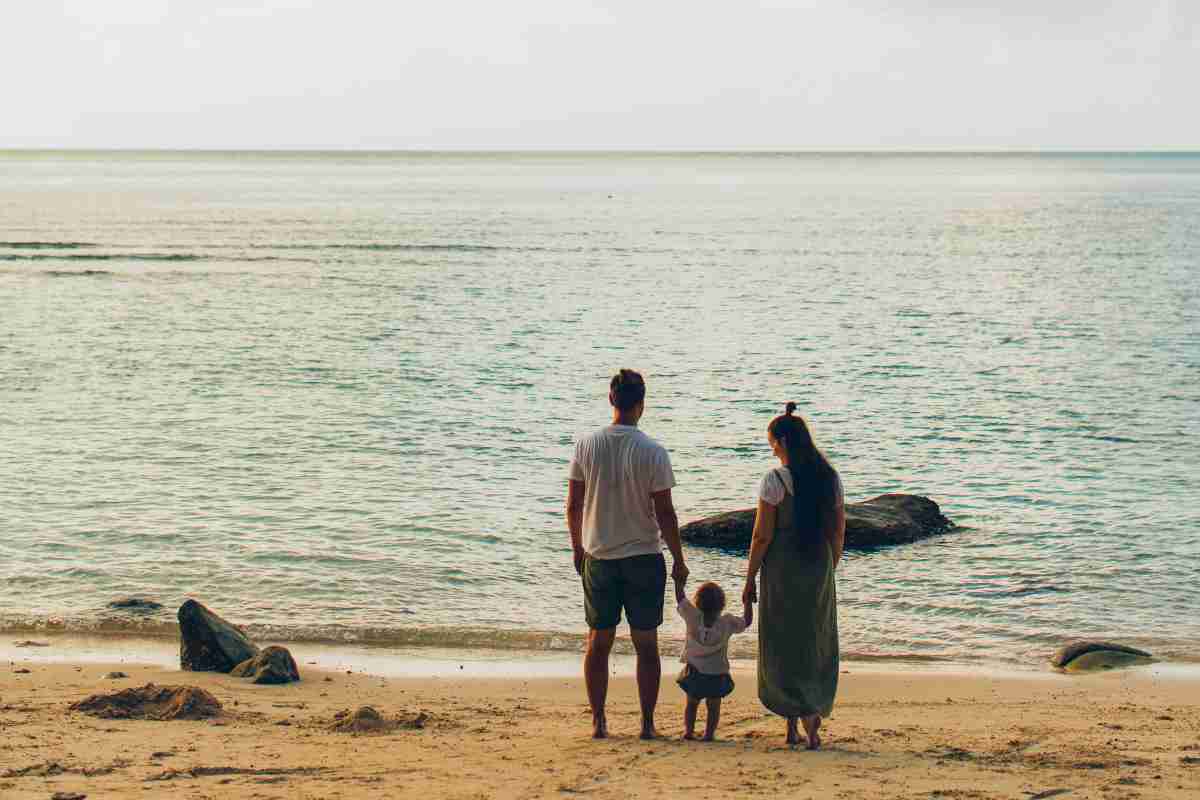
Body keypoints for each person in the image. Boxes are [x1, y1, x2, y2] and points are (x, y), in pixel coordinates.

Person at [566, 368, 689, 740]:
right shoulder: (653, 451)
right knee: (646, 644)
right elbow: (666, 513)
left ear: (610, 400)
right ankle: (647, 723)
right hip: (643, 558)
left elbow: (573, 504)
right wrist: (680, 560)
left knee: (597, 642)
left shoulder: (586, 445)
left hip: (599, 556)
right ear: (641, 405)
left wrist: (577, 547)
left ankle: (599, 720)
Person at [742, 402, 845, 750]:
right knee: (815, 639)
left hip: (782, 568)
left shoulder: (775, 480)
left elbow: (762, 535)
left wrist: (749, 578)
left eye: (771, 442)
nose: (771, 448)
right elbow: (838, 531)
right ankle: (813, 717)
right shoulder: (829, 478)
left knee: (782, 640)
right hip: (818, 564)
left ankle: (790, 724)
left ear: (783, 441)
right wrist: (830, 565)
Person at [673, 578, 752, 741]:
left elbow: (680, 599)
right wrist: (747, 601)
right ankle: (709, 734)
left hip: (694, 672)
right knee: (714, 707)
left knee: (692, 704)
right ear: (722, 604)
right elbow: (747, 622)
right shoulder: (727, 622)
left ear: (698, 602)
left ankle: (689, 731)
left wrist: (678, 581)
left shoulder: (692, 616)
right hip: (717, 673)